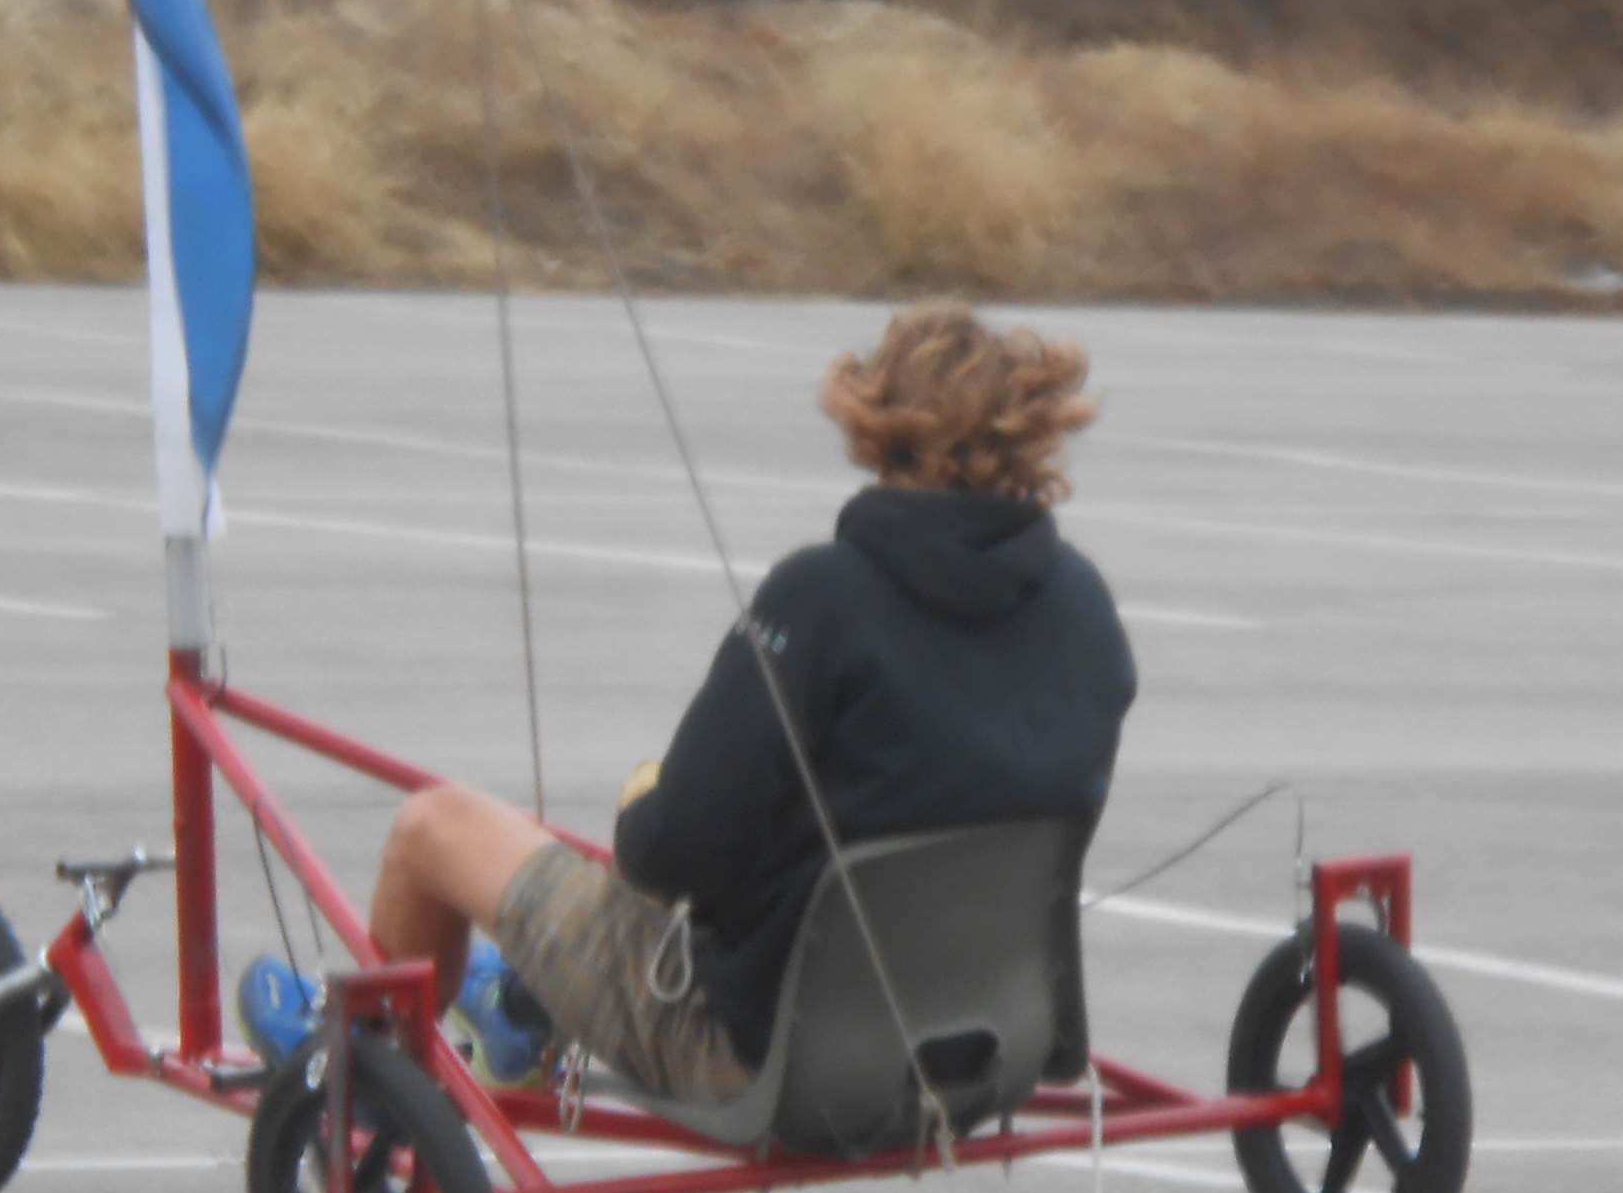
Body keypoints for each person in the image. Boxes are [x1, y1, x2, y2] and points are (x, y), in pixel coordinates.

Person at [238, 304, 1140, 1104]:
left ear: (881, 433)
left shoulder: (822, 600)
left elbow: (676, 849)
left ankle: (359, 1083)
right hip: (982, 1044)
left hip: (769, 1053)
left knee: (435, 829)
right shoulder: (1086, 607)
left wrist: (644, 805)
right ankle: (515, 1005)